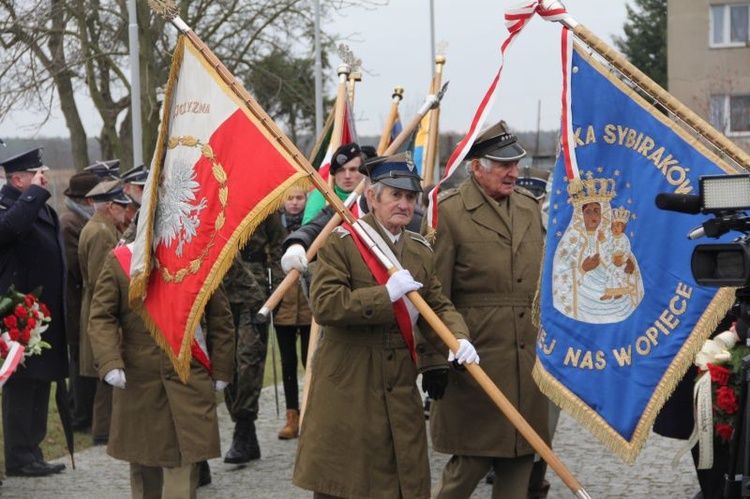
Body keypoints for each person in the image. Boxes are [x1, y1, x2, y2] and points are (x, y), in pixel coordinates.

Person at [293, 153, 478, 498]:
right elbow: (325, 306)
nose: (404, 204)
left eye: (410, 197)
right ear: (372, 197)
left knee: (399, 481)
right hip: (350, 382)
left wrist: (458, 338)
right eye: (395, 195)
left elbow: (437, 304)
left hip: (400, 384)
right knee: (346, 484)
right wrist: (385, 295)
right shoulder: (342, 243)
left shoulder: (420, 250)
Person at [419, 121, 549, 498]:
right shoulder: (451, 212)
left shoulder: (527, 208)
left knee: (522, 459)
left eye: (516, 165)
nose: (513, 173)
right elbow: (432, 294)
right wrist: (433, 361)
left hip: (527, 362)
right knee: (470, 462)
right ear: (476, 166)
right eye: (503, 165)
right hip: (474, 358)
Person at [88, 244, 235, 498]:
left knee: (183, 472)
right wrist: (110, 361)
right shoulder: (121, 261)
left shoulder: (199, 257)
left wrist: (222, 368)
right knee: (144, 470)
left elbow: (220, 317)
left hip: (187, 378)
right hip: (139, 383)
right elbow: (101, 316)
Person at [0, 148, 68, 477]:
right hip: (16, 312)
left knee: (42, 381)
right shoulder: (8, 206)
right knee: (23, 384)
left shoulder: (38, 206)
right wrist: (36, 195)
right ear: (16, 179)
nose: (43, 178)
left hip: (42, 313)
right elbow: (9, 230)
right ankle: (18, 455)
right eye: (35, 174)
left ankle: (34, 449)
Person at [221, 212, 285, 463]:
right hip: (219, 291)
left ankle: (243, 428)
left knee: (249, 360)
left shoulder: (262, 199)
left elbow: (279, 243)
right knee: (225, 365)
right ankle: (246, 431)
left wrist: (277, 289)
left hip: (254, 291)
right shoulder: (215, 193)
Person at [78, 179, 131, 445]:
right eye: (122, 205)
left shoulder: (101, 228)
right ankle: (104, 431)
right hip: (102, 306)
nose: (125, 210)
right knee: (106, 373)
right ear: (110, 206)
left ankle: (106, 429)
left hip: (98, 303)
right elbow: (101, 279)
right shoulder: (101, 233)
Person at [59, 171, 101, 432]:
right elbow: (76, 266)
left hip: (81, 300)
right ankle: (79, 415)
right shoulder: (70, 224)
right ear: (86, 200)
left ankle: (84, 411)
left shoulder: (80, 220)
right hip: (76, 303)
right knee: (78, 361)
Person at [274, 186, 312, 440]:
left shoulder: (312, 227)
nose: (295, 203)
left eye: (299, 198)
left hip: (309, 307)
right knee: (288, 364)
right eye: (290, 198)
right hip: (283, 306)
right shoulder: (276, 228)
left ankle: (311, 413)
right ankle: (292, 415)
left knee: (310, 363)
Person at [302, 142, 364, 224]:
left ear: (363, 172)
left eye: (353, 169)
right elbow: (308, 230)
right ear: (333, 174)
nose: (347, 176)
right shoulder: (321, 196)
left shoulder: (372, 195)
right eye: (341, 171)